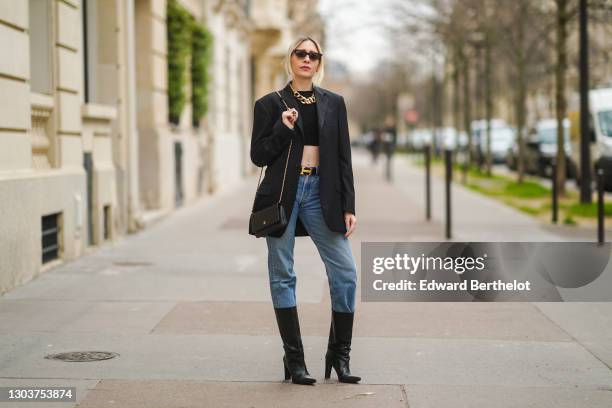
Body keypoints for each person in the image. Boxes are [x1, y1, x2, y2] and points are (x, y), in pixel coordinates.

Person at [249, 36, 361, 385]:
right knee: (283, 273)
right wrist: (283, 128)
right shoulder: (269, 104)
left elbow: (344, 157)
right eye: (301, 53)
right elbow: (259, 156)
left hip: (321, 194)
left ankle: (339, 356)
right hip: (283, 194)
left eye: (313, 55)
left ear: (319, 62)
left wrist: (349, 205)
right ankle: (294, 360)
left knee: (345, 274)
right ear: (290, 59)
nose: (307, 59)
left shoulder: (334, 103)